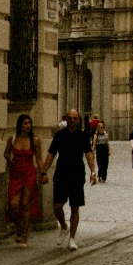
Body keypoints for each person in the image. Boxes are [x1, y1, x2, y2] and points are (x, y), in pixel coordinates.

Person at [47, 107, 97, 250]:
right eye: (70, 118)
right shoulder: (59, 135)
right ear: (66, 119)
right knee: (57, 206)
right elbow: (51, 154)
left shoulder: (83, 135)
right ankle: (63, 226)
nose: (73, 121)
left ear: (78, 120)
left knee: (75, 207)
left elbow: (88, 154)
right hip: (61, 173)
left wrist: (93, 172)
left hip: (77, 174)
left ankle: (72, 238)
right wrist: (44, 171)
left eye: (75, 118)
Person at [3, 112, 43, 246]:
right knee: (13, 205)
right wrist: (10, 158)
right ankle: (19, 229)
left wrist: (43, 173)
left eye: (29, 123)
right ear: (19, 125)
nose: (28, 126)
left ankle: (24, 234)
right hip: (15, 174)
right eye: (25, 123)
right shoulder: (13, 139)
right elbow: (6, 153)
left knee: (25, 204)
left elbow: (38, 158)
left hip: (29, 174)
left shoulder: (35, 140)